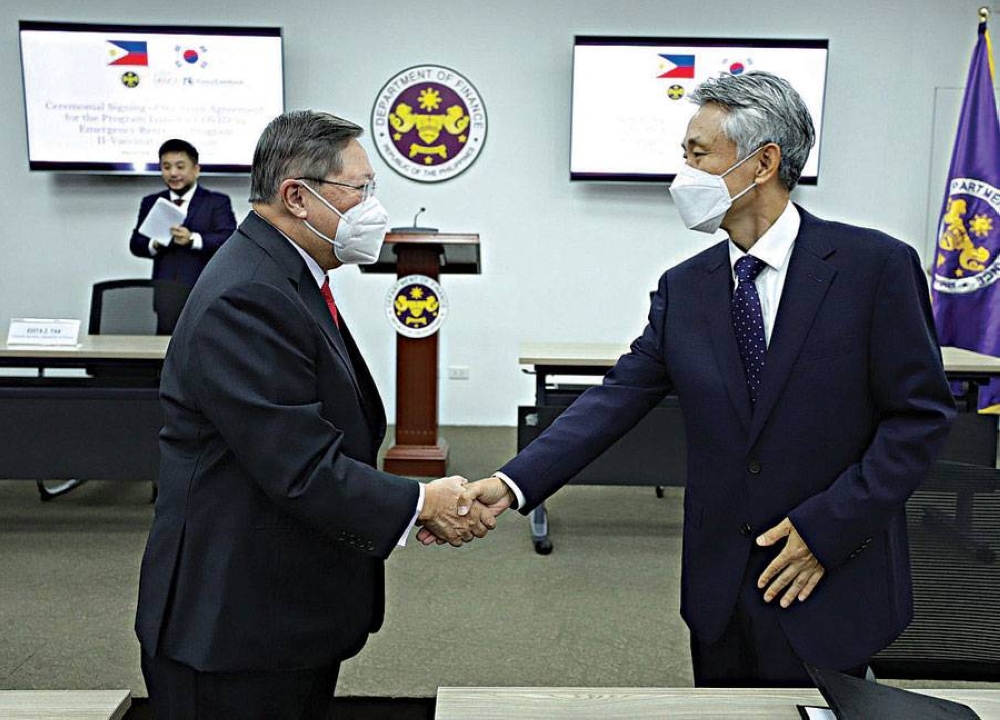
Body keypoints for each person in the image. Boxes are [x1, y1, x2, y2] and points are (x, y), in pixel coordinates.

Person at [447, 72, 957, 686]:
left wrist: (829, 529)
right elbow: (617, 399)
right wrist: (512, 482)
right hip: (719, 590)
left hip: (828, 574)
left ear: (762, 162)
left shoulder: (874, 268)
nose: (681, 173)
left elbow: (919, 418)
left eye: (697, 154)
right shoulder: (685, 288)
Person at [135, 111, 493, 718]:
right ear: (297, 197)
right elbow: (300, 466)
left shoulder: (285, 274)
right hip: (233, 630)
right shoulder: (247, 294)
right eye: (360, 191)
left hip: (277, 612)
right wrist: (421, 504)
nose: (371, 210)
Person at [129, 138, 237, 289]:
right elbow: (136, 244)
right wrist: (155, 243)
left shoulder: (217, 202)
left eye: (180, 167)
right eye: (166, 167)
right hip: (164, 292)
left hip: (205, 290)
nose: (173, 173)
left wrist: (193, 239)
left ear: (196, 170)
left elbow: (228, 240)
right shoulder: (151, 202)